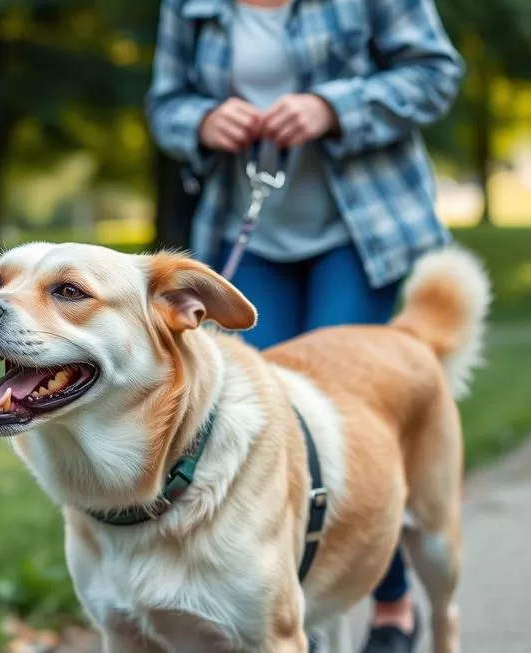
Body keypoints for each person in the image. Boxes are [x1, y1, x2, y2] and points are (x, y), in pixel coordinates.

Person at [145, 0, 465, 651]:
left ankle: (393, 602)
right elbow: (164, 103)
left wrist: (334, 106)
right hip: (249, 233)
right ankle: (293, 608)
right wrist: (202, 120)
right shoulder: (191, 5)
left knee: (345, 421)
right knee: (254, 429)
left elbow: (435, 73)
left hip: (361, 231)